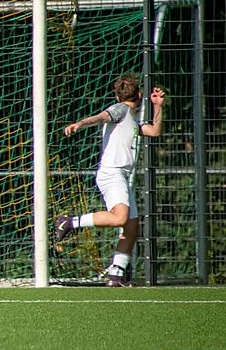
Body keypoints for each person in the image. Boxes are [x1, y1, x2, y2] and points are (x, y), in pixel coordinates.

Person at [54, 74, 165, 287]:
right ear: (139, 94)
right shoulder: (120, 110)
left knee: (131, 228)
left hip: (121, 175)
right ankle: (69, 222)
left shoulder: (132, 118)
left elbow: (154, 131)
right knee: (120, 218)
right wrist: (81, 123)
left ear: (117, 94)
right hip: (112, 173)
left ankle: (116, 275)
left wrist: (158, 106)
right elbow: (102, 116)